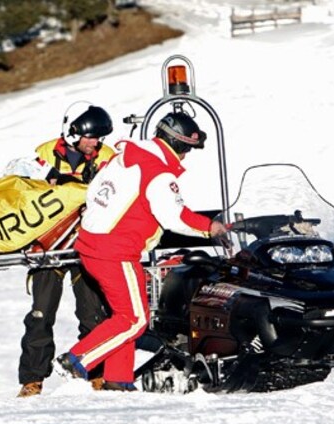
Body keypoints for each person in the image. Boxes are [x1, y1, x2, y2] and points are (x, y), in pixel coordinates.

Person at [54, 111, 229, 391]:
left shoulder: (122, 158)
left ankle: (119, 379)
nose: (186, 157)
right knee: (135, 319)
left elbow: (95, 193)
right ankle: (77, 359)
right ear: (180, 145)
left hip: (92, 245)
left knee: (122, 315)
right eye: (188, 150)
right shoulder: (157, 172)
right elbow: (175, 216)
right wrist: (212, 227)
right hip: (115, 250)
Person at [16, 105, 116, 397]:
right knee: (40, 314)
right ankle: (32, 380)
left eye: (98, 137)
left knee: (93, 312)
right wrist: (51, 178)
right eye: (90, 137)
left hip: (87, 245)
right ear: (72, 133)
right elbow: (17, 176)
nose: (95, 142)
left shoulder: (108, 158)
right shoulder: (45, 153)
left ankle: (96, 373)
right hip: (50, 246)